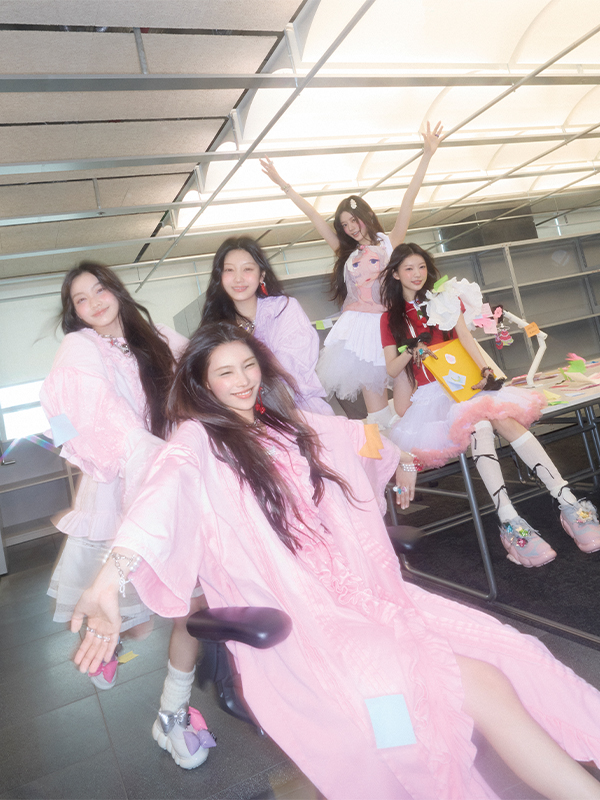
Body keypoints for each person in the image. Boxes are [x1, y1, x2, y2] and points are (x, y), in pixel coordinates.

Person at [70, 324, 600, 800]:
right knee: (469, 688)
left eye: (249, 365)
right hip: (305, 623)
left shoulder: (282, 425)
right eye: (225, 372)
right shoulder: (198, 441)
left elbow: (356, 438)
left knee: (512, 656)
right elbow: (160, 500)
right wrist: (107, 580)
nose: (243, 380)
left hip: (371, 595)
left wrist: (400, 456)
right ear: (203, 383)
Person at [40, 262, 213, 769]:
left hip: (170, 475)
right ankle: (112, 645)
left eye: (100, 290)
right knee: (136, 616)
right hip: (122, 479)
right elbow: (81, 409)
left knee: (190, 604)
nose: (94, 302)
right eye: (81, 299)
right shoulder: (80, 347)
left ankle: (173, 714)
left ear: (116, 291)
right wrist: (141, 454)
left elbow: (201, 367)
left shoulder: (154, 335)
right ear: (74, 312)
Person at [379, 242, 600, 566]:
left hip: (465, 382)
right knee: (480, 424)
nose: (417, 274)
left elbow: (466, 340)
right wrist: (411, 350)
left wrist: (485, 371)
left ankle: (568, 502)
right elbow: (391, 369)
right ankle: (510, 520)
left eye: (421, 267)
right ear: (396, 274)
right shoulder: (390, 319)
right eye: (409, 268)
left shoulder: (444, 300)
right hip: (431, 396)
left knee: (503, 419)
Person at [260, 122, 443, 428]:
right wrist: (283, 184)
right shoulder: (346, 253)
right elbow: (313, 216)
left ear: (366, 216)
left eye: (353, 221)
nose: (350, 228)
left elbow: (408, 200)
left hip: (390, 325)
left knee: (407, 403)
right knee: (377, 413)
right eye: (344, 225)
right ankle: (393, 455)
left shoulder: (388, 243)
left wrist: (427, 154)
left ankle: (419, 446)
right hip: (358, 331)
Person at [200, 235, 333, 415]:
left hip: (301, 412)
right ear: (220, 276)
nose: (238, 278)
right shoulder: (215, 327)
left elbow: (293, 366)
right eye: (229, 270)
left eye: (247, 269)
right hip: (243, 418)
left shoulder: (283, 309)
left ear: (261, 275)